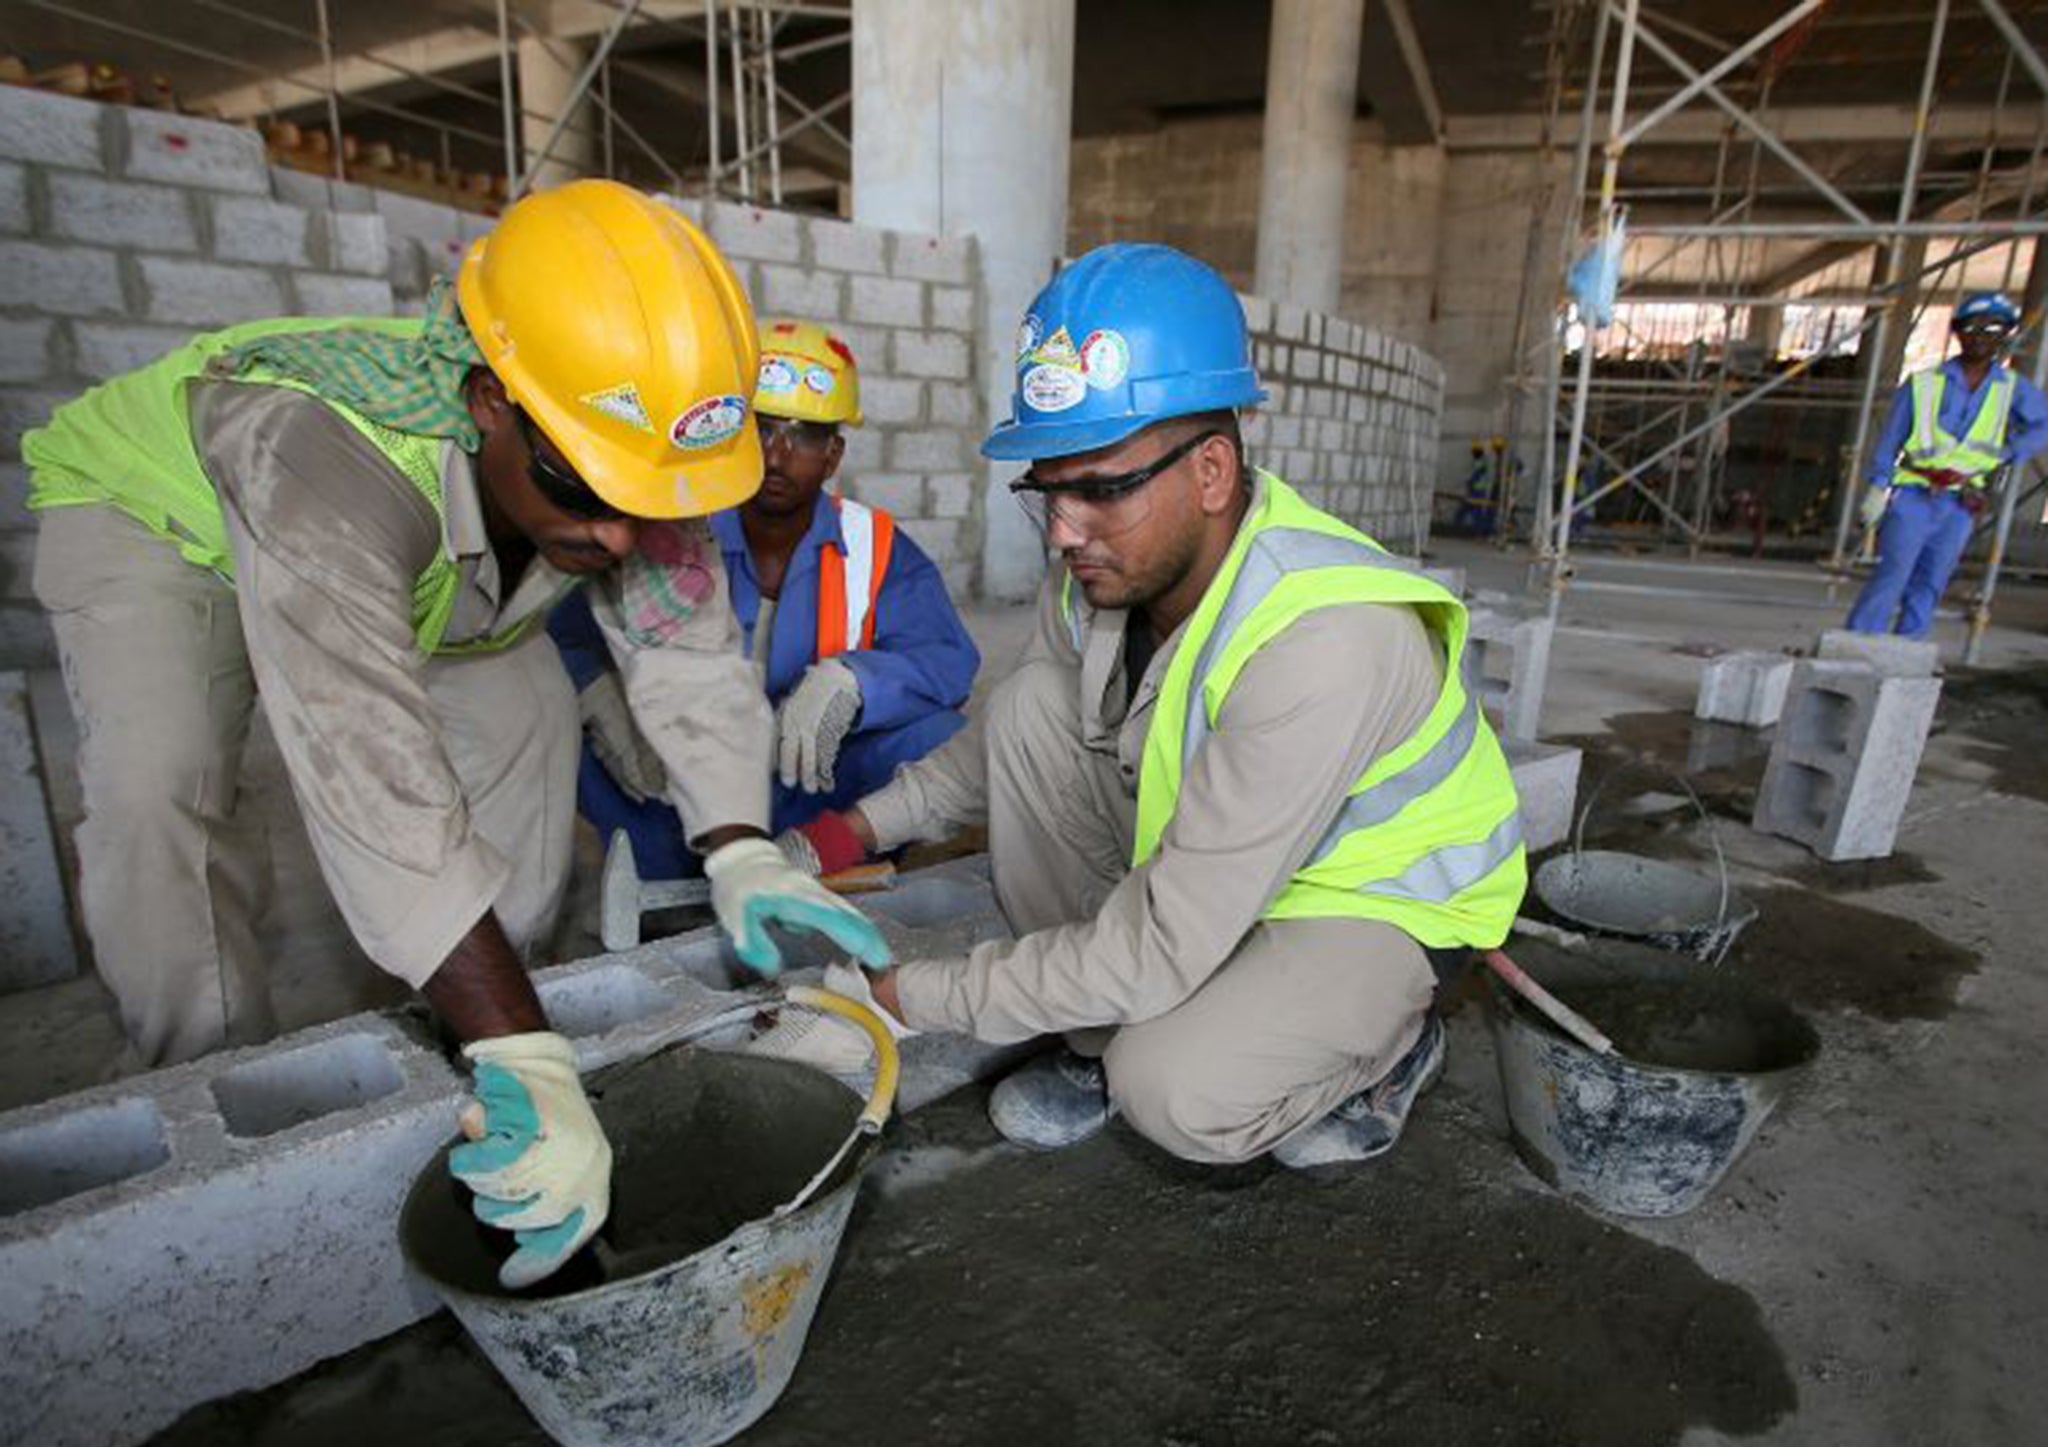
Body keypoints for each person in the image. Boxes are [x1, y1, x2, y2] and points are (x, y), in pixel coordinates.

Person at [21, 180, 888, 1287]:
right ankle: (215, 1093)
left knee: (528, 720)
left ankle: (473, 1034)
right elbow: (362, 760)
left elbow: (682, 649)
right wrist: (528, 1043)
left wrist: (738, 844)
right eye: (585, 485)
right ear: (488, 401)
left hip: (443, 563)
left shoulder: (604, 454)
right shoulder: (324, 451)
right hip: (164, 523)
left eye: (648, 497)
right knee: (163, 794)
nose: (621, 530)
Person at [768, 244, 1527, 1169]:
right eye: (1045, 489)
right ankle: (1095, 1034)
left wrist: (896, 999)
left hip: (1367, 900)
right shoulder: (1102, 572)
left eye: (1099, 489)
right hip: (1234, 864)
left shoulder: (1324, 636)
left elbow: (1163, 940)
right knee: (1033, 711)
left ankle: (1390, 1049)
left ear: (1211, 472)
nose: (1061, 529)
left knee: (1173, 1090)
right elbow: (992, 754)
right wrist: (839, 835)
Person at [549, 317, 978, 880]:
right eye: (762, 427)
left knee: (938, 735)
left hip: (812, 779)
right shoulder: (675, 527)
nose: (776, 455)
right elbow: (568, 628)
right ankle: (664, 889)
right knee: (555, 721)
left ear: (833, 454)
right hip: (678, 781)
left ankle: (839, 853)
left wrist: (857, 682)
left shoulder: (874, 545)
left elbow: (948, 659)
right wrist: (599, 694)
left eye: (802, 435)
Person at [1846, 291, 2048, 638]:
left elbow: (2042, 424)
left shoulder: (2012, 390)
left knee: (1932, 579)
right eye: (1973, 327)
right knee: (1893, 573)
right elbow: (1890, 439)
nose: (1982, 336)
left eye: (1993, 328)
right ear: (1958, 332)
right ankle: (1859, 643)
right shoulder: (1923, 384)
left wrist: (2007, 452)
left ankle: (1907, 650)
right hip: (1914, 495)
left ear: (2005, 336)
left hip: (1961, 502)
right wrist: (1878, 487)